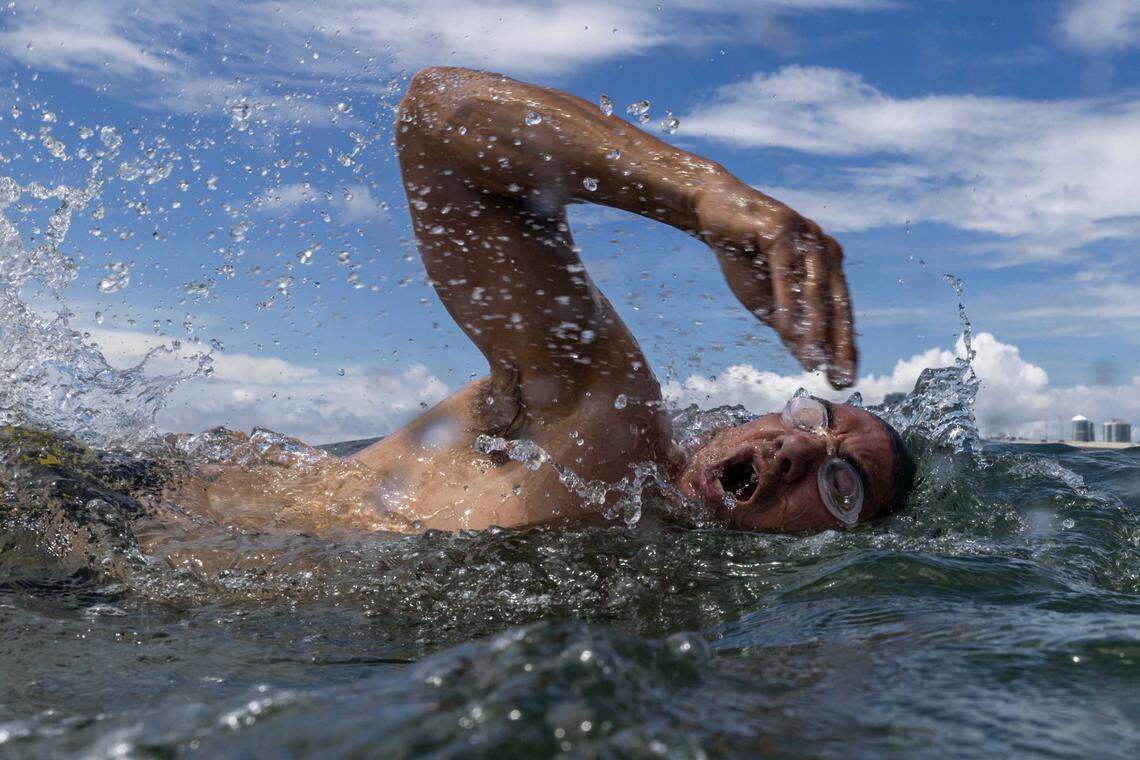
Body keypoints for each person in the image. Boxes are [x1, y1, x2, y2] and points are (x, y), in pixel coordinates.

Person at [333, 67, 916, 534]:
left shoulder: (665, 551)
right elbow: (438, 114)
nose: (795, 450)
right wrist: (702, 196)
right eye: (814, 418)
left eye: (842, 484)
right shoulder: (610, 420)